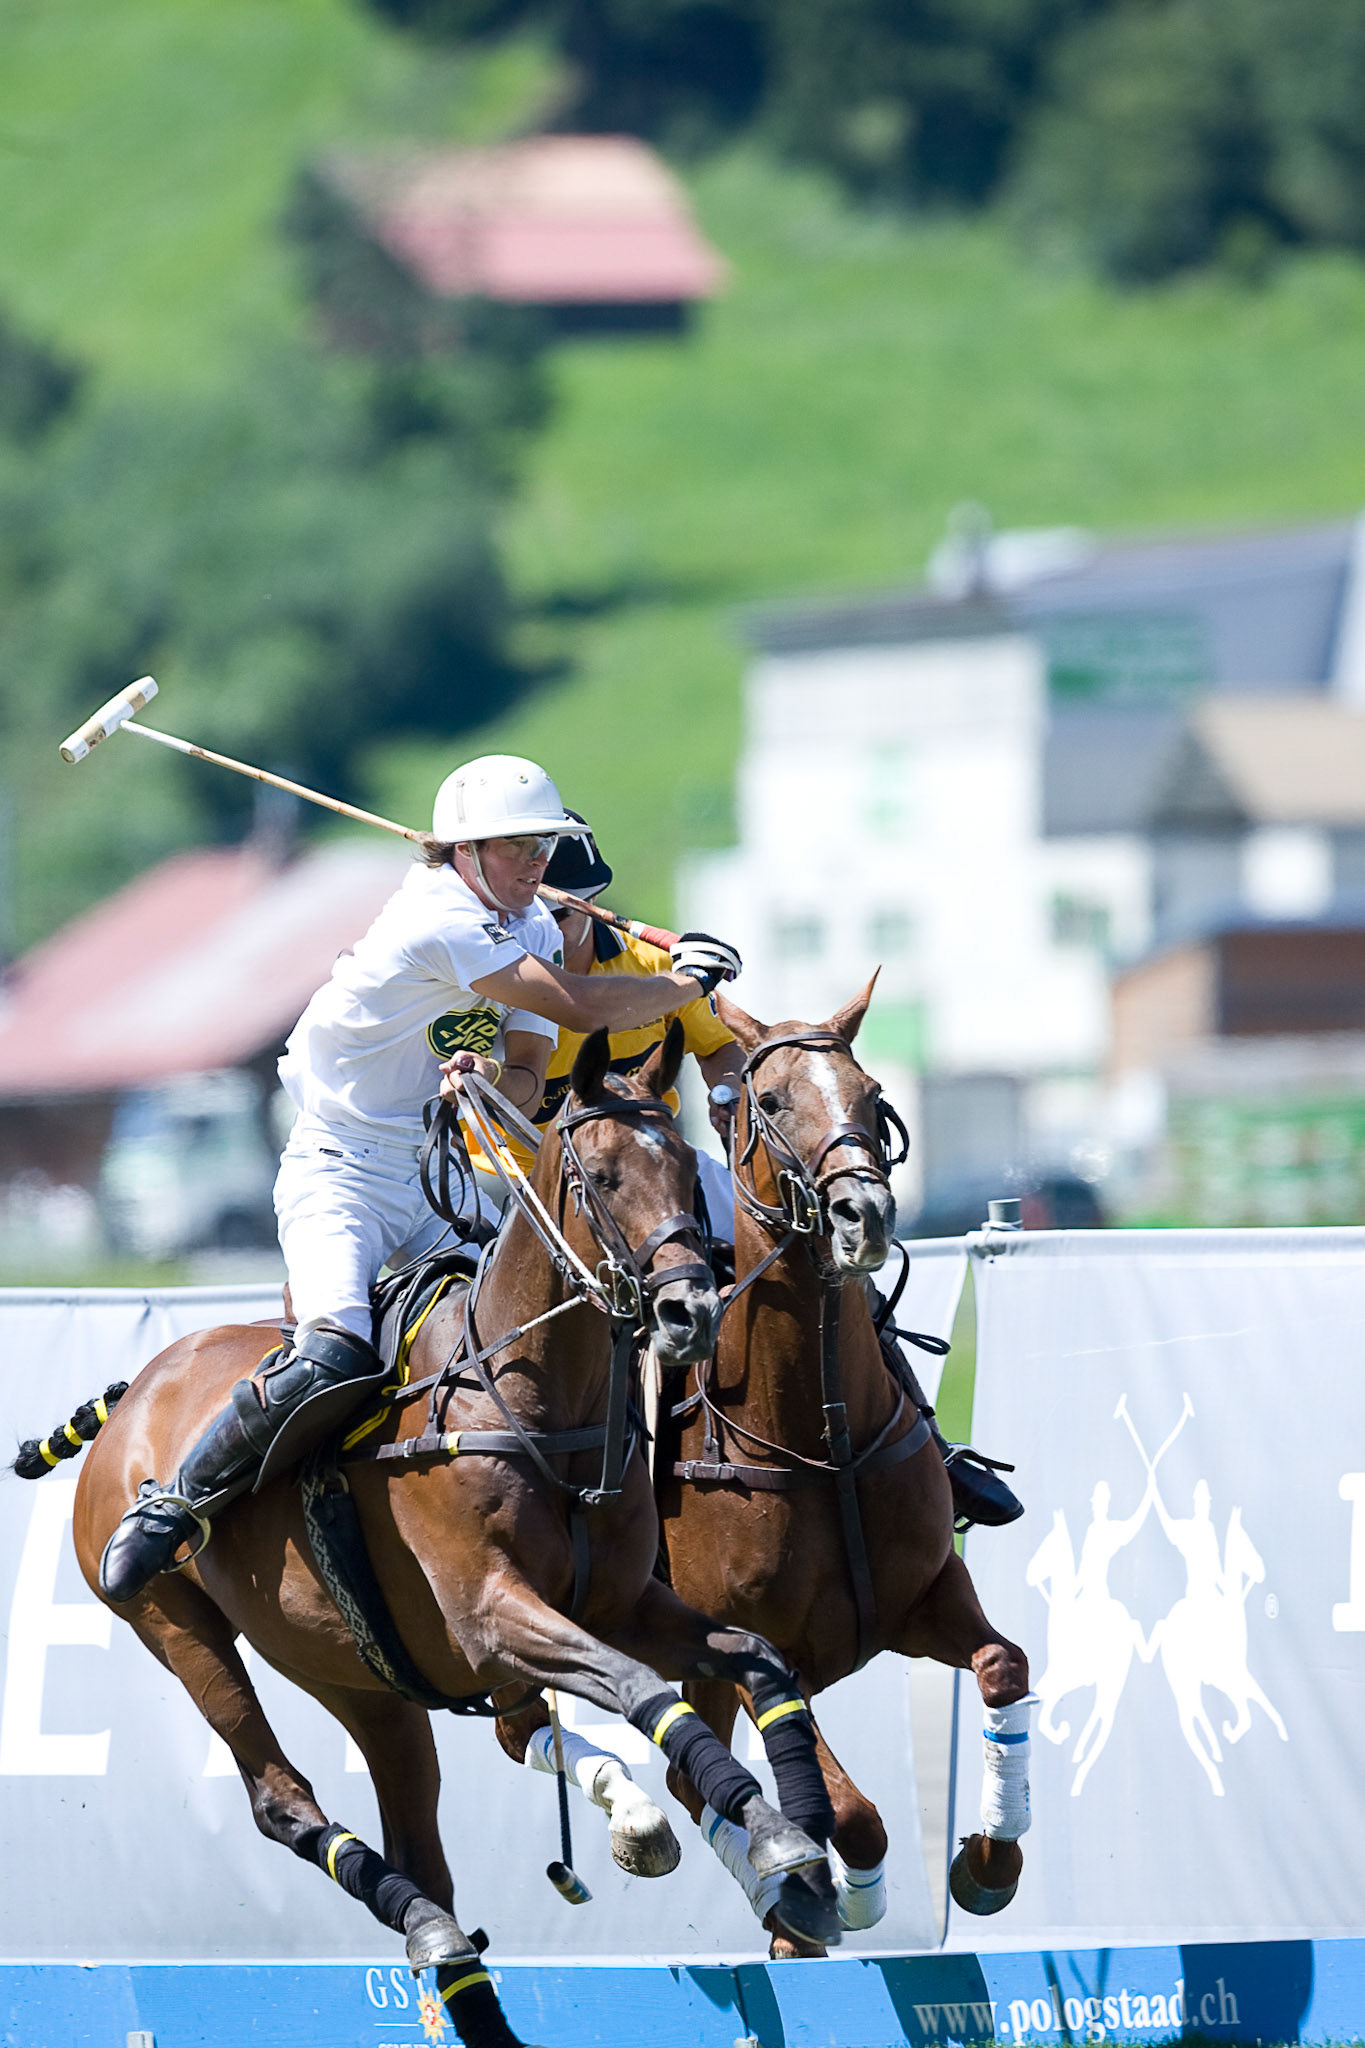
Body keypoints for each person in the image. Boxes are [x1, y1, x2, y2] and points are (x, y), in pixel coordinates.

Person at [100, 755, 740, 1601]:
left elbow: (526, 1067)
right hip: (341, 1167)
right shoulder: (435, 917)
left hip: (433, 1170)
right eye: (515, 848)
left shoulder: (532, 927)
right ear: (463, 854)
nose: (536, 864)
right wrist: (683, 981)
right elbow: (582, 1008)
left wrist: (483, 1076)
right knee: (333, 1353)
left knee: (535, 1328)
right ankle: (176, 1504)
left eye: (543, 846)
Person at [464, 812, 741, 1237]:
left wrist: (728, 1094)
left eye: (557, 918)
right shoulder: (471, 980)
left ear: (591, 903)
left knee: (776, 1254)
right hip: (511, 1181)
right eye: (527, 917)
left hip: (650, 1166)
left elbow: (719, 1047)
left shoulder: (654, 965)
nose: (541, 932)